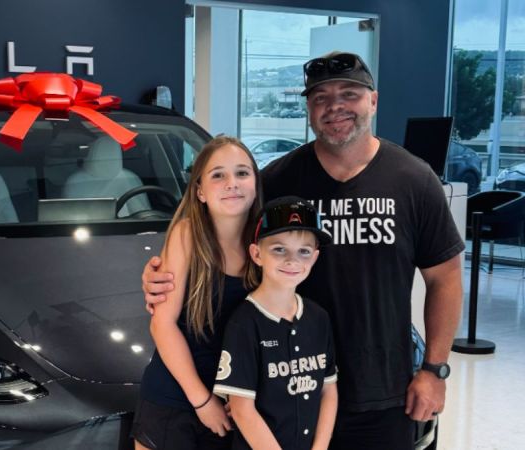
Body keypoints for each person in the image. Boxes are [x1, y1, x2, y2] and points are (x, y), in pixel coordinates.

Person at [142, 51, 464, 450]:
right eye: (321, 98)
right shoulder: (276, 181)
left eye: (349, 94)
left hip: (382, 390)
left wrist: (434, 369)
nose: (335, 107)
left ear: (373, 100)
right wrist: (160, 273)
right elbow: (216, 230)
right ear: (309, 110)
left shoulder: (414, 180)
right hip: (287, 391)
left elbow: (446, 277)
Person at [132, 136, 262, 450]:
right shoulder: (187, 235)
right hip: (175, 400)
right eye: (218, 175)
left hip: (235, 405)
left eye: (242, 173)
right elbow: (162, 324)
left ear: (256, 183)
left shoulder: (266, 244)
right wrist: (203, 402)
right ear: (200, 191)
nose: (232, 183)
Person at [213, 196, 338, 450]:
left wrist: (320, 446)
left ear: (315, 257)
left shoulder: (319, 317)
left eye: (304, 251)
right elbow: (242, 409)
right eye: (279, 249)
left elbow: (328, 391)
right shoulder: (244, 323)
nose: (293, 260)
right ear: (257, 254)